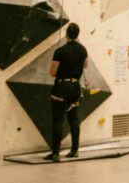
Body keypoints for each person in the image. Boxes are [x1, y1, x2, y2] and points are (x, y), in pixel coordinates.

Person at [45, 23, 88, 162]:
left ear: (66, 33)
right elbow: (85, 65)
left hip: (62, 88)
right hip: (75, 87)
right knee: (74, 120)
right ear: (77, 34)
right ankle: (74, 150)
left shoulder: (60, 51)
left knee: (58, 120)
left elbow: (52, 73)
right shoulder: (83, 50)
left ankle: (56, 153)